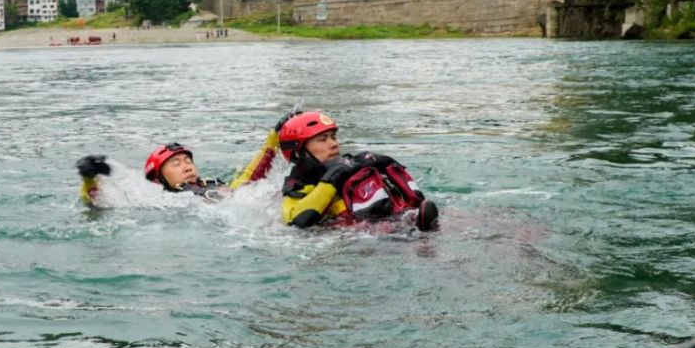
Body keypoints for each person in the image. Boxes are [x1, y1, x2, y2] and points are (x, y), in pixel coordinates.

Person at [77, 112, 296, 206]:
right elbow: (103, 201)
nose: (186, 165)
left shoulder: (213, 185)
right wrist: (90, 179)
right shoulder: (156, 198)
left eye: (188, 161)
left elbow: (249, 180)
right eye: (176, 163)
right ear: (157, 178)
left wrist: (273, 139)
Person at [278, 111, 439, 230]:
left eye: (333, 137)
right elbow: (297, 220)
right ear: (299, 153)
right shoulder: (297, 188)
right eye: (322, 140)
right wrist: (331, 180)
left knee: (453, 218)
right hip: (356, 241)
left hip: (393, 222)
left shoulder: (351, 166)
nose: (334, 144)